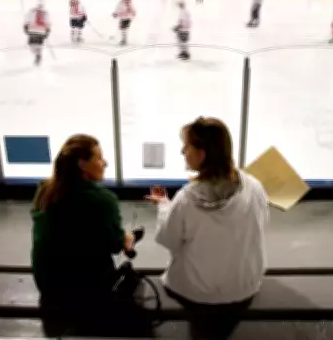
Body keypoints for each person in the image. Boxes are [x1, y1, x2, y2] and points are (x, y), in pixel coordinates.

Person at [146, 117, 269, 340]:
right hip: (246, 286)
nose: (182, 151)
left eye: (186, 147)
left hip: (197, 293)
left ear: (202, 154)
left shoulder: (186, 199)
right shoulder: (254, 186)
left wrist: (164, 206)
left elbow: (168, 239)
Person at [31, 134, 147, 337]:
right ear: (82, 164)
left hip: (49, 287)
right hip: (86, 293)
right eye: (99, 158)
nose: (105, 163)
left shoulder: (45, 190)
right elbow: (115, 246)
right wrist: (127, 240)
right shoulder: (103, 200)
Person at [24, 0, 51, 66]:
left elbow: (27, 20)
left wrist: (25, 27)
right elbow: (48, 23)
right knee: (38, 45)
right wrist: (47, 32)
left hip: (33, 31)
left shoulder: (32, 11)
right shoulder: (45, 13)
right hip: (40, 32)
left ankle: (37, 54)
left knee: (33, 45)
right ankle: (38, 54)